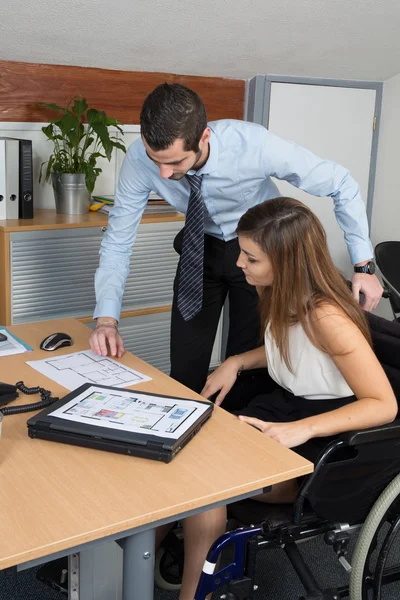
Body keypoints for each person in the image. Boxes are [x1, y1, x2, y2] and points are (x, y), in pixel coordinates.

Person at [164, 196, 397, 600]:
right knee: (175, 445)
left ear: (285, 261)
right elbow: (288, 345)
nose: (239, 264)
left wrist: (297, 431)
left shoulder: (327, 316)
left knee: (206, 482)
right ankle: (144, 551)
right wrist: (236, 361)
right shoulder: (280, 292)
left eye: (250, 258)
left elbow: (384, 404)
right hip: (285, 407)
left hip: (325, 435)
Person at [89, 83, 383, 393]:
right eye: (155, 159)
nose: (163, 173)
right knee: (186, 368)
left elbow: (341, 183)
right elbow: (118, 240)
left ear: (203, 137)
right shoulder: (138, 158)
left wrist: (363, 265)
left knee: (246, 368)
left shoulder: (251, 144)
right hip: (198, 249)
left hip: (259, 256)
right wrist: (106, 319)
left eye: (175, 162)